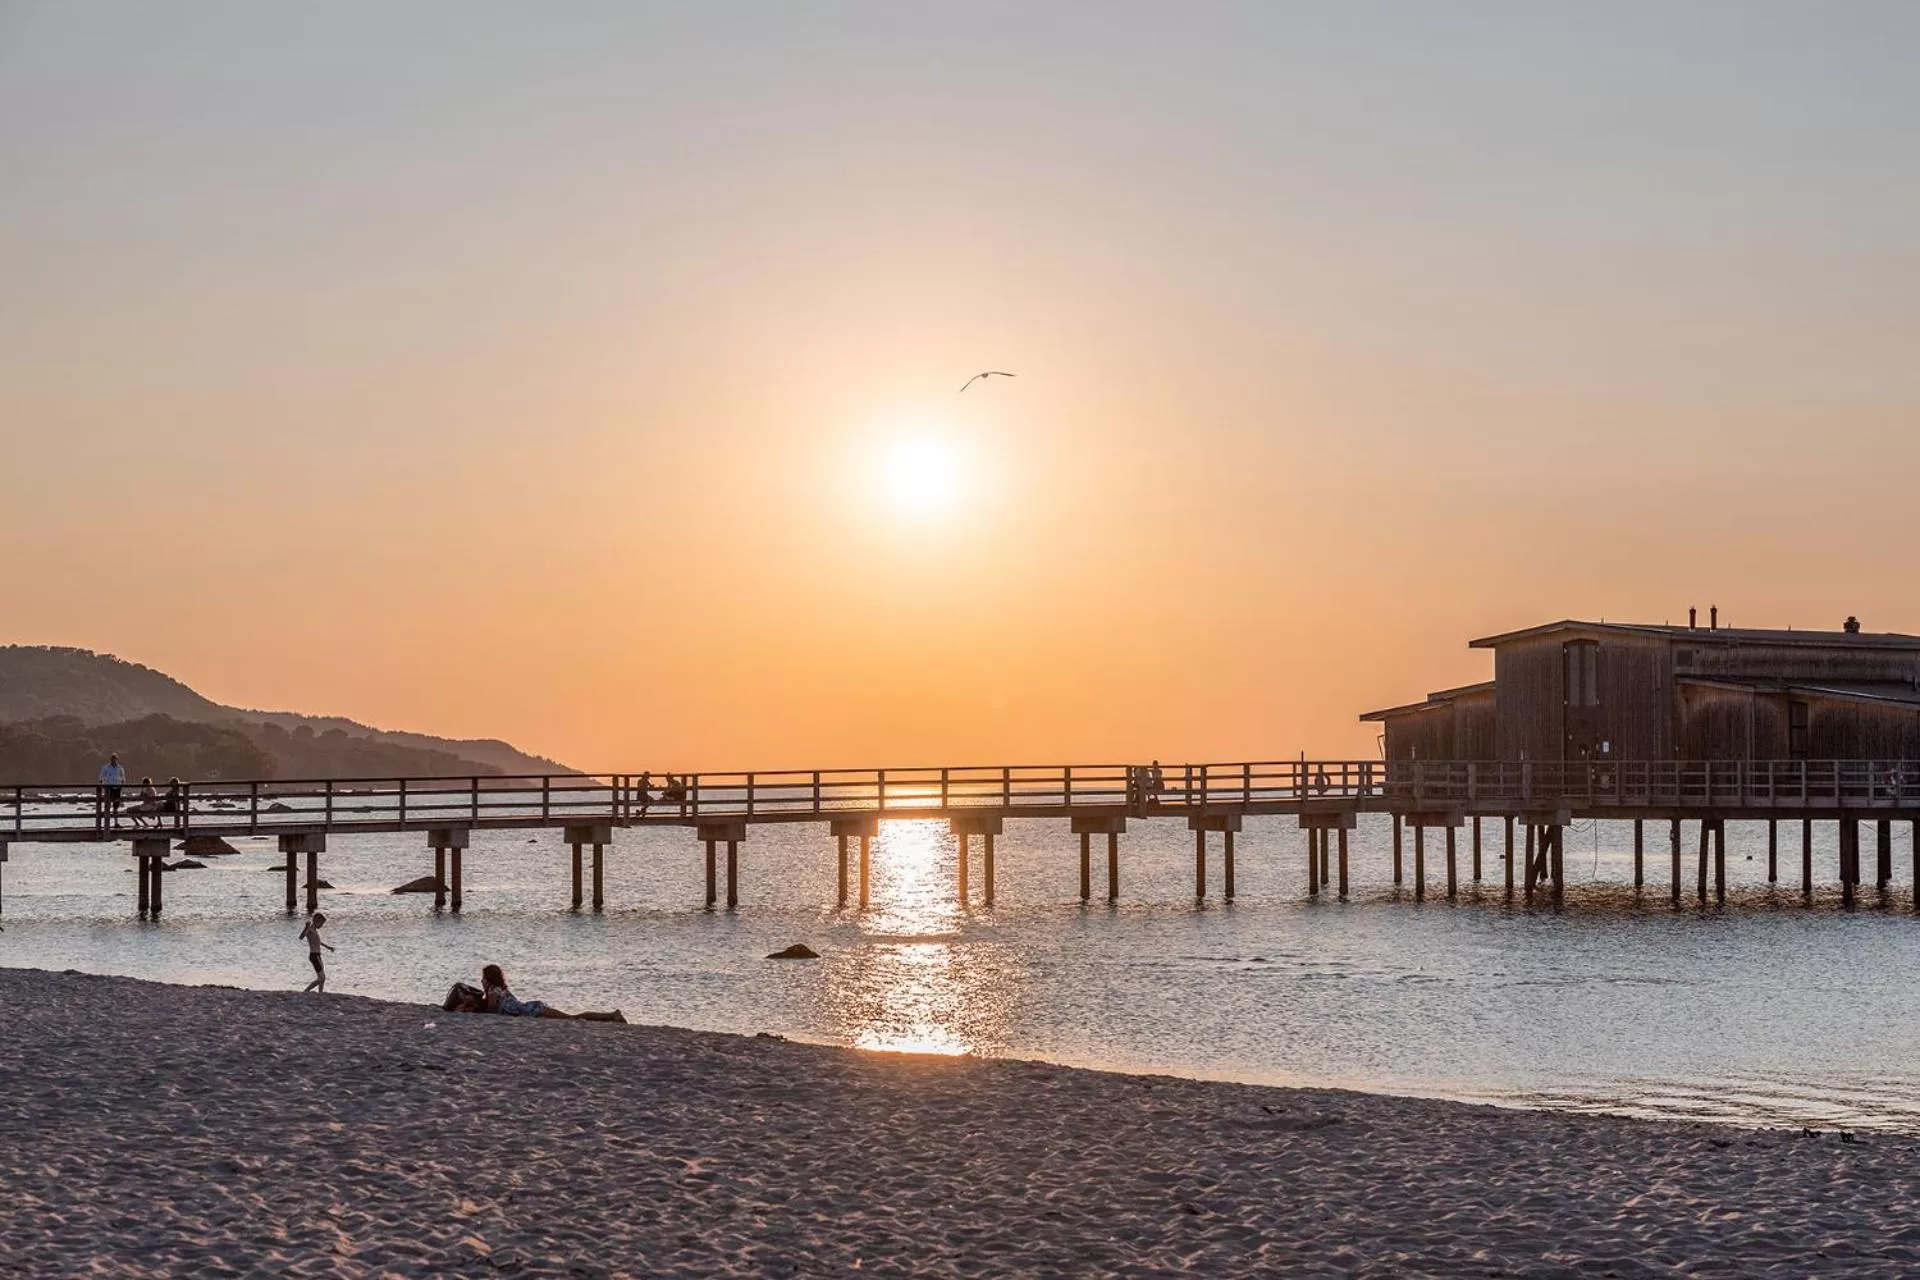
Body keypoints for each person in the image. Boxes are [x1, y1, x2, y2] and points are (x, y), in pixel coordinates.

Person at [479, 963, 624, 1022]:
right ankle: (609, 1016)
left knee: (573, 1019)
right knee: (573, 1018)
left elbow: (492, 1012)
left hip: (533, 1011)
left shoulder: (493, 992)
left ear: (488, 979)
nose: (481, 980)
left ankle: (611, 1015)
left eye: (483, 978)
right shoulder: (502, 990)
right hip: (532, 1008)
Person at [299, 912, 335, 993]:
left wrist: (328, 947)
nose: (321, 926)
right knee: (321, 978)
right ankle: (306, 991)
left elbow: (318, 942)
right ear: (316, 921)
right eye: (321, 924)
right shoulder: (310, 929)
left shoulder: (314, 930)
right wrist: (306, 927)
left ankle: (320, 992)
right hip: (314, 956)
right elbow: (301, 937)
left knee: (323, 978)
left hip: (318, 955)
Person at [98, 754, 126, 828]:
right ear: (110, 760)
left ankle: (116, 823)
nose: (114, 760)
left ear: (117, 759)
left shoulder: (120, 768)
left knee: (116, 806)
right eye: (112, 759)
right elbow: (101, 776)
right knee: (107, 804)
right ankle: (106, 823)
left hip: (117, 787)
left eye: (115, 759)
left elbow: (123, 777)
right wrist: (101, 784)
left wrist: (122, 784)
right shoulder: (106, 767)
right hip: (108, 787)